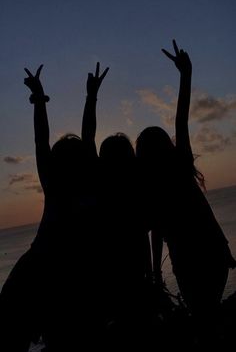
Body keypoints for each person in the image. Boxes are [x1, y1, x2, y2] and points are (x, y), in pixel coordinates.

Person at [0, 64, 108, 351]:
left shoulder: (67, 187)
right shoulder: (68, 189)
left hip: (51, 277)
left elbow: (59, 140)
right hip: (48, 277)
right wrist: (42, 98)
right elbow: (59, 140)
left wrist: (41, 98)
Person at [136, 40, 236, 344]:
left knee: (204, 318)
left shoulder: (156, 186)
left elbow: (155, 233)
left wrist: (155, 273)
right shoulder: (177, 170)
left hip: (193, 260)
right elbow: (181, 120)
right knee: (209, 315)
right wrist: (185, 74)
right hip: (212, 253)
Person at [82, 63, 153, 348]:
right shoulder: (137, 189)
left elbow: (87, 138)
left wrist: (91, 96)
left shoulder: (102, 186)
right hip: (135, 276)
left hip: (108, 278)